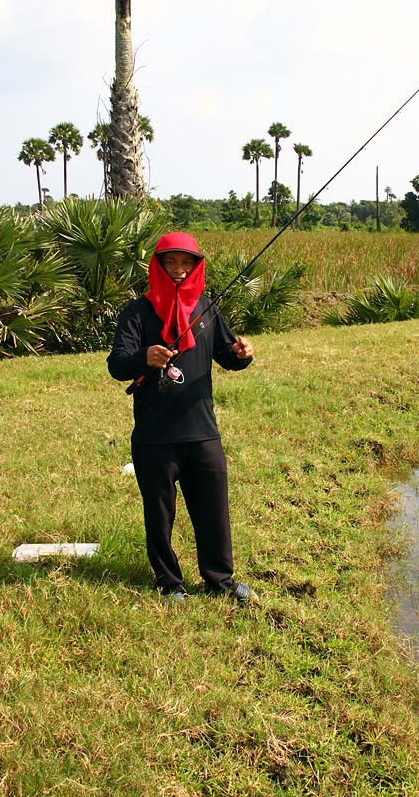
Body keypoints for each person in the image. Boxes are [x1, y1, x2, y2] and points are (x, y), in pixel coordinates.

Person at [107, 232, 258, 605]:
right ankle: (169, 582)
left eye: (185, 263)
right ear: (157, 266)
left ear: (195, 266)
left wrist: (243, 353)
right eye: (170, 262)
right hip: (155, 435)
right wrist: (146, 356)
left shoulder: (206, 309)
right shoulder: (137, 312)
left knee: (213, 511)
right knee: (159, 514)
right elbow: (116, 365)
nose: (178, 270)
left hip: (202, 431)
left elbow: (227, 355)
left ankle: (219, 579)